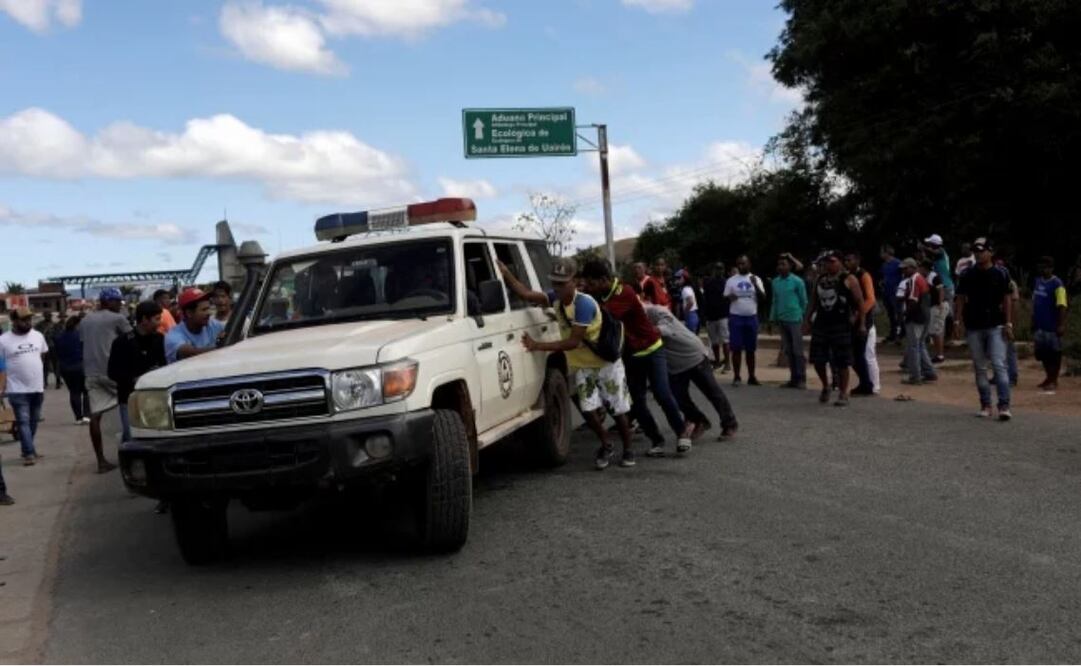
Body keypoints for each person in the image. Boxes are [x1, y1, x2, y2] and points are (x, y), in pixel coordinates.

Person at [498, 257, 636, 470]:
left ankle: (628, 449)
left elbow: (572, 342)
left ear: (575, 281)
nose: (558, 288)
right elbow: (526, 294)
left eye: (563, 283)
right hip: (584, 366)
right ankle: (607, 443)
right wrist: (505, 272)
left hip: (606, 363)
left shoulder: (584, 304)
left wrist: (537, 345)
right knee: (588, 409)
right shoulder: (556, 300)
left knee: (617, 409)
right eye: (555, 283)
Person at [581, 259, 695, 458]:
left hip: (651, 348)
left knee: (661, 392)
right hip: (631, 354)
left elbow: (603, 317)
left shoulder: (623, 292)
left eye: (591, 283)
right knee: (637, 403)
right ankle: (656, 440)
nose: (589, 288)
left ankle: (681, 432)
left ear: (604, 279)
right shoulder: (600, 295)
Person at [638, 288, 738, 440]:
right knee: (677, 397)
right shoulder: (630, 320)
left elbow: (668, 326)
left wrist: (651, 330)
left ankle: (729, 423)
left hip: (693, 354)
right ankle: (699, 420)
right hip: (675, 363)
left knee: (712, 391)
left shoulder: (654, 310)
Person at [954, 238, 1013, 421]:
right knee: (980, 367)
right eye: (976, 251)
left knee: (998, 364)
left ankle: (1003, 405)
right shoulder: (967, 274)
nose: (978, 254)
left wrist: (1009, 323)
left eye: (981, 251)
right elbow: (961, 298)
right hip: (974, 325)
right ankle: (985, 404)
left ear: (990, 252)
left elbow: (1007, 299)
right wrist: (957, 321)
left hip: (996, 324)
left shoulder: (1001, 273)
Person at [81, 288, 132, 472]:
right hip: (114, 372)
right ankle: (130, 454)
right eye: (117, 301)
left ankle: (101, 461)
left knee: (95, 416)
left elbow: (83, 342)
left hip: (91, 373)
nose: (119, 305)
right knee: (130, 408)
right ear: (107, 302)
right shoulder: (117, 318)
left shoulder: (85, 320)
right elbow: (131, 340)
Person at [804, 251, 864, 406]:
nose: (828, 264)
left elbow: (860, 303)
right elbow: (813, 302)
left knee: (842, 361)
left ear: (840, 262)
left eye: (832, 261)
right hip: (822, 324)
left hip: (841, 324)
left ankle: (843, 392)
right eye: (826, 262)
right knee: (818, 360)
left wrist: (861, 323)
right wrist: (807, 320)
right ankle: (826, 385)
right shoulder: (820, 279)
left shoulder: (849, 279)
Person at [0, 308, 49, 464]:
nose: (27, 322)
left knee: (33, 421)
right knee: (23, 421)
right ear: (13, 321)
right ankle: (28, 453)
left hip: (37, 386)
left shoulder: (38, 336)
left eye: (29, 319)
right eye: (23, 319)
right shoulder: (3, 340)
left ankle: (28, 448)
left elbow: (41, 355)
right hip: (16, 389)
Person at [723, 255, 766, 386]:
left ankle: (752, 376)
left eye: (744, 263)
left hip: (751, 317)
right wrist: (730, 297)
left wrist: (755, 285)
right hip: (736, 317)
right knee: (736, 348)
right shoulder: (731, 280)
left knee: (750, 349)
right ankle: (736, 376)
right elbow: (725, 297)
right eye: (739, 264)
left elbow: (763, 297)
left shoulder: (756, 279)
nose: (742, 266)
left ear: (749, 264)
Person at [769, 254, 808, 389]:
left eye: (783, 264)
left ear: (790, 266)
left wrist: (803, 317)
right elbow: (775, 300)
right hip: (782, 318)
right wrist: (772, 318)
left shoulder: (797, 281)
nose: (781, 267)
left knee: (798, 350)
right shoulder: (775, 282)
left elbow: (804, 301)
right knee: (789, 350)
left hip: (795, 318)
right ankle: (793, 378)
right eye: (779, 264)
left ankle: (802, 378)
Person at [844, 251, 880, 395]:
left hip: (864, 320)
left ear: (857, 261)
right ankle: (866, 383)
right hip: (854, 320)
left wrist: (859, 314)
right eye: (845, 260)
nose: (847, 262)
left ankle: (870, 384)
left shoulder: (864, 275)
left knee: (863, 354)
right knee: (855, 355)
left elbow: (870, 299)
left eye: (849, 259)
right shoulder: (847, 277)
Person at [1032, 256, 1068, 392]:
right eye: (1041, 266)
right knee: (1041, 353)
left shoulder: (1058, 284)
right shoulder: (1037, 281)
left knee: (1054, 354)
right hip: (1039, 325)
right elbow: (1035, 301)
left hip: (1052, 326)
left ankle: (1054, 379)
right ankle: (1049, 376)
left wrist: (1061, 324)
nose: (1042, 269)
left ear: (1051, 268)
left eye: (1045, 267)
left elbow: (1062, 305)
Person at [165, 288, 225, 364]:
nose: (209, 313)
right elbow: (191, 353)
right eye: (204, 310)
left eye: (208, 308)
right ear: (189, 313)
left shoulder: (213, 325)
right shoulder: (173, 336)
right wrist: (223, 347)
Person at [902, 260, 938, 384]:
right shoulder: (921, 278)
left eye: (906, 269)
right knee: (920, 345)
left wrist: (905, 314)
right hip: (925, 314)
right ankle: (929, 372)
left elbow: (913, 300)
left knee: (914, 346)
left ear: (913, 267)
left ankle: (915, 376)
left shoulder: (914, 279)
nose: (904, 271)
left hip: (917, 316)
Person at [921, 234, 954, 363]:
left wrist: (923, 247)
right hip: (943, 285)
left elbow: (932, 251)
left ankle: (948, 338)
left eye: (930, 244)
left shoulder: (941, 251)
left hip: (945, 286)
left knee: (945, 314)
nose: (928, 246)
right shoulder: (936, 256)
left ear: (935, 244)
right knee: (941, 317)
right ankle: (944, 340)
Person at [53, 315, 91, 424]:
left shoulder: (59, 338)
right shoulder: (81, 336)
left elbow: (57, 353)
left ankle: (78, 417)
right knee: (86, 391)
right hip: (81, 366)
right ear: (77, 324)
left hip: (66, 368)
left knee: (74, 392)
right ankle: (87, 416)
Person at [701, 263, 731, 372]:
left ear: (723, 270)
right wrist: (704, 315)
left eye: (721, 268)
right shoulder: (708, 283)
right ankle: (717, 361)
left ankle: (727, 363)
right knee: (714, 342)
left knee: (725, 340)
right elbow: (705, 299)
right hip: (711, 315)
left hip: (723, 315)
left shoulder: (727, 282)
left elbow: (729, 299)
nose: (719, 271)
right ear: (714, 270)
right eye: (717, 268)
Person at [880, 245, 903, 342]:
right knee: (890, 314)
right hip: (886, 291)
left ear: (886, 253)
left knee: (898, 313)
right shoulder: (884, 265)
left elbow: (903, 275)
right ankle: (892, 333)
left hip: (895, 292)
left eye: (882, 252)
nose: (881, 254)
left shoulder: (898, 263)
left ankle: (900, 333)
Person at [35, 312, 63, 390]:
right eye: (47, 315)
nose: (48, 317)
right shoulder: (52, 325)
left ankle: (54, 381)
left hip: (49, 347)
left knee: (51, 365)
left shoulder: (42, 325)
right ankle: (49, 381)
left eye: (48, 315)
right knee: (49, 365)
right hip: (48, 347)